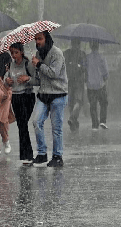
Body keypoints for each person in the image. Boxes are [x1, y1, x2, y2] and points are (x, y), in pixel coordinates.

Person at [31, 31, 68, 167]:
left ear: (46, 38)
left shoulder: (56, 53)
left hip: (58, 94)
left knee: (56, 128)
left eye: (40, 38)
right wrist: (27, 78)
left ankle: (57, 156)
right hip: (43, 94)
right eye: (35, 39)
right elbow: (38, 78)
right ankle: (42, 153)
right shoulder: (38, 54)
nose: (37, 42)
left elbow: (54, 73)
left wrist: (39, 64)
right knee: (36, 122)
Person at [5, 42, 38, 164]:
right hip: (16, 97)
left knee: (23, 124)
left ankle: (27, 155)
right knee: (21, 125)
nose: (14, 55)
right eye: (12, 53)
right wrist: (7, 81)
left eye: (16, 52)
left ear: (22, 52)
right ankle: (26, 156)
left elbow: (37, 80)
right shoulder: (10, 65)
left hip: (27, 97)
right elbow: (5, 79)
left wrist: (27, 79)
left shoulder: (28, 64)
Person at [86, 41, 110, 130]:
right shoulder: (101, 57)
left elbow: (84, 69)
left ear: (90, 46)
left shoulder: (87, 57)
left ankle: (94, 124)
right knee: (103, 103)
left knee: (93, 105)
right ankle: (103, 121)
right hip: (100, 84)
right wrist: (105, 77)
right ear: (98, 47)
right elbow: (106, 71)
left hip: (90, 85)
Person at [64, 39, 86, 132]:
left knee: (71, 102)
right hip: (79, 81)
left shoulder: (66, 53)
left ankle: (74, 123)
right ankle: (73, 118)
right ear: (79, 44)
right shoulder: (82, 54)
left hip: (69, 81)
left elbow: (63, 67)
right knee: (79, 101)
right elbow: (84, 68)